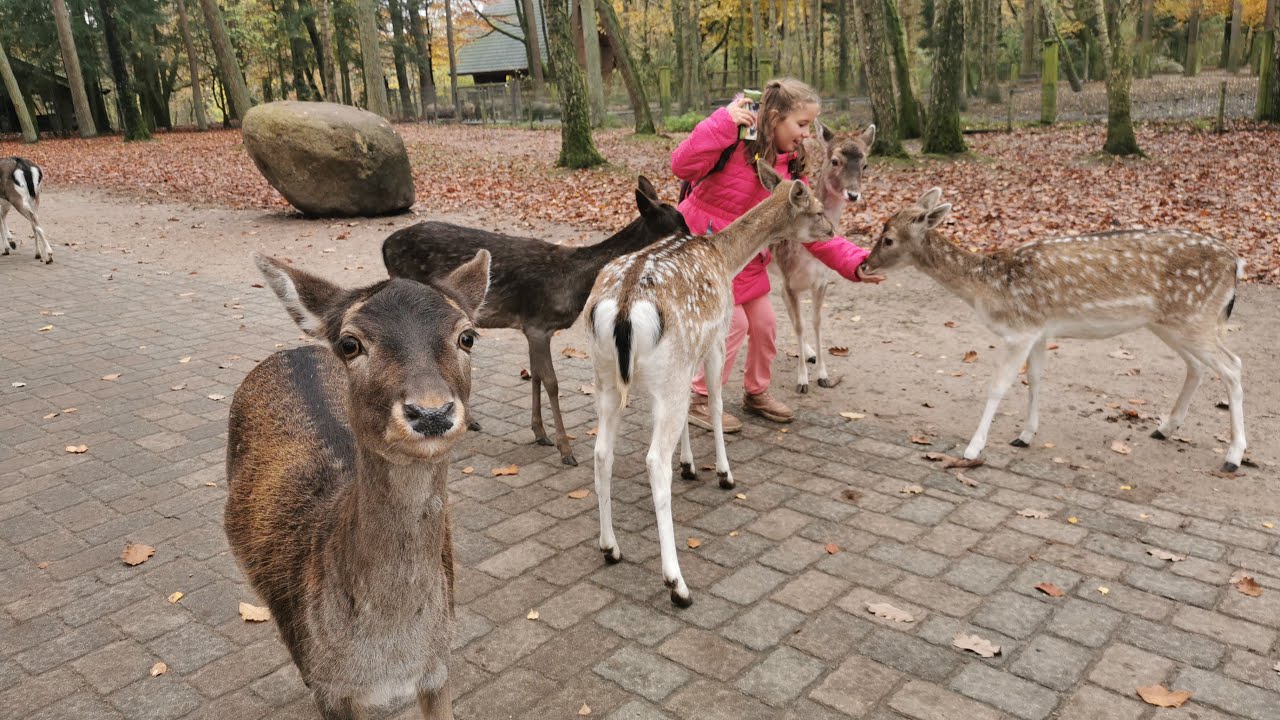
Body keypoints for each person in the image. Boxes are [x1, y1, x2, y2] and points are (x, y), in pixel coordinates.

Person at [671, 77, 884, 432]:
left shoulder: (789, 166)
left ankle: (756, 392)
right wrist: (722, 122)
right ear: (773, 118)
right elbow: (681, 164)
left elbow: (811, 229)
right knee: (733, 324)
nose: (806, 133)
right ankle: (701, 398)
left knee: (766, 324)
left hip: (749, 261)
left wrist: (854, 262)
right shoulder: (732, 141)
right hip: (707, 256)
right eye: (801, 124)